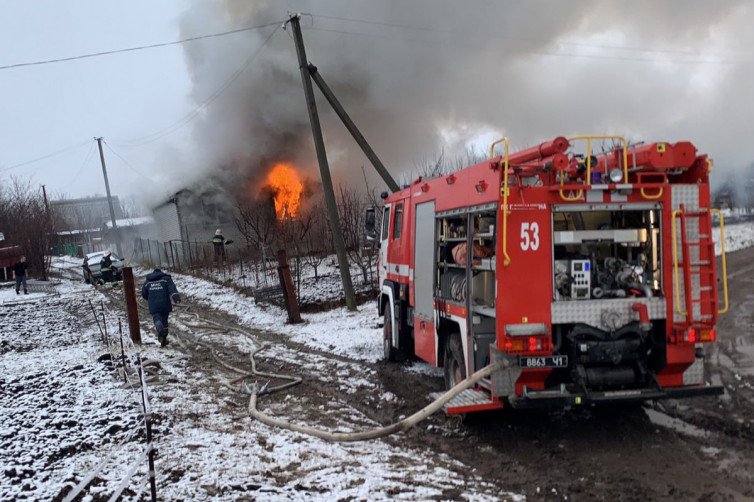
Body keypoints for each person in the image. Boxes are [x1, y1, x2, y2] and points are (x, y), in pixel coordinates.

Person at [141, 268, 181, 347]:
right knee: (165, 321)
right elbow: (172, 288)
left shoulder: (148, 281)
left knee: (157, 318)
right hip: (165, 303)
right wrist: (175, 296)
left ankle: (158, 324)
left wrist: (150, 299)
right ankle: (164, 338)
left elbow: (144, 293)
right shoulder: (166, 279)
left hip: (153, 305)